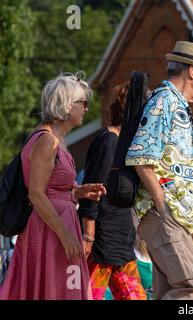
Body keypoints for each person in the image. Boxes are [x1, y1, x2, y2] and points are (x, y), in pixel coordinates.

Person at [0, 72, 106, 300]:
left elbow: (50, 188)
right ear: (67, 106)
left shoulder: (55, 140)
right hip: (49, 231)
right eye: (83, 103)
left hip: (55, 227)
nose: (86, 109)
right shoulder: (46, 140)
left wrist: (77, 192)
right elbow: (37, 194)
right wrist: (66, 236)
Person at [125, 41, 193, 300]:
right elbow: (140, 157)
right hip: (166, 214)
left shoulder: (172, 103)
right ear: (192, 71)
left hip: (171, 215)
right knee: (192, 289)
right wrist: (163, 205)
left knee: (167, 291)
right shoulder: (164, 102)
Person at [78, 79, 147, 300]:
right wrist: (88, 237)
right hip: (101, 240)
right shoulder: (108, 142)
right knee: (91, 296)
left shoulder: (127, 144)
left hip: (122, 238)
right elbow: (91, 192)